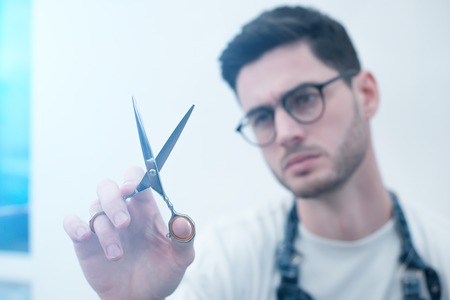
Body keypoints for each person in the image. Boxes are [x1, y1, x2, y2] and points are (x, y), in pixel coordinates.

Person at [63, 5, 450, 300]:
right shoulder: (221, 264)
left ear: (365, 95)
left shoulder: (442, 253)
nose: (284, 133)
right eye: (262, 116)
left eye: (304, 98)